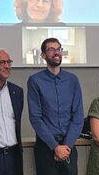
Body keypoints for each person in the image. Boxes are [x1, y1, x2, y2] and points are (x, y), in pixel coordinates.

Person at [27, 37, 84, 175]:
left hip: (68, 146)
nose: (56, 52)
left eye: (58, 49)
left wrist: (66, 146)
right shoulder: (35, 81)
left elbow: (78, 116)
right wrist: (55, 147)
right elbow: (36, 118)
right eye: (51, 50)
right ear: (43, 55)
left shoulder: (72, 80)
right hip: (46, 146)